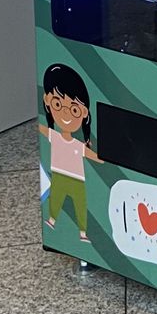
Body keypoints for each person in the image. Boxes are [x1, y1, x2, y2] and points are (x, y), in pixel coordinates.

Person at [39, 64, 99, 242]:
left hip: (77, 180)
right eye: (57, 104)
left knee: (80, 205)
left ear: (84, 113)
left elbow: (90, 155)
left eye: (74, 109)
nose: (65, 113)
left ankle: (82, 232)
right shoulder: (56, 136)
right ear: (47, 102)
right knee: (55, 199)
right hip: (59, 175)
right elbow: (42, 129)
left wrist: (102, 157)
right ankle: (52, 220)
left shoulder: (77, 143)